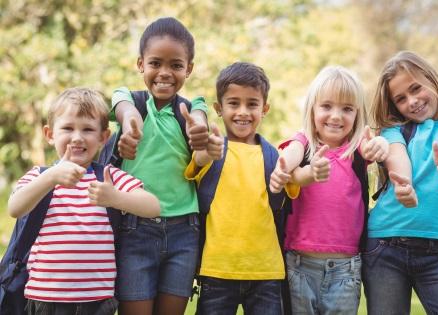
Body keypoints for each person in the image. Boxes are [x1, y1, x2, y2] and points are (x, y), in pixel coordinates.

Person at [7, 87, 160, 315]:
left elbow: (153, 206)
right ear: (50, 134)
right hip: (46, 298)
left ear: (103, 137)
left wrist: (116, 197)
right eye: (68, 128)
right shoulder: (40, 176)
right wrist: (51, 177)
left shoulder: (108, 177)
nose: (77, 137)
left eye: (88, 129)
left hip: (96, 301)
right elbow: (15, 208)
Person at [108, 17, 210, 315]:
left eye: (176, 65)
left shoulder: (190, 110)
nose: (165, 73)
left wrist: (199, 130)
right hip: (134, 229)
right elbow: (119, 102)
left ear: (189, 69)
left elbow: (200, 118)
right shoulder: (132, 102)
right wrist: (129, 123)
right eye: (155, 63)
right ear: (140, 64)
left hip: (184, 233)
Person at [269, 65, 389, 315]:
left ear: (357, 114)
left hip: (346, 270)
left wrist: (379, 144)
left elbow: (378, 146)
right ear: (312, 109)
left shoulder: (357, 151)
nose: (336, 116)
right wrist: (283, 169)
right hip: (299, 266)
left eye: (347, 109)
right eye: (326, 106)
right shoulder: (304, 143)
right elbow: (290, 153)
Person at [363, 50, 438, 314]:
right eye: (401, 99)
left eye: (416, 89)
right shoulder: (393, 132)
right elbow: (398, 159)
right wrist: (404, 186)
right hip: (384, 244)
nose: (412, 101)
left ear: (433, 81)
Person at [185, 62, 289, 315]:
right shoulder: (211, 150)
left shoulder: (272, 156)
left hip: (266, 271)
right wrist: (206, 153)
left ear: (264, 109)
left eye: (252, 104)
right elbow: (196, 165)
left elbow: (291, 188)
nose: (243, 111)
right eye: (233, 103)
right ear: (219, 109)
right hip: (217, 270)